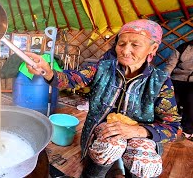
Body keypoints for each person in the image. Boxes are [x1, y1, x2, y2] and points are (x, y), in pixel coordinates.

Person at [25, 19, 182, 178]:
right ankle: (92, 174)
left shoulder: (160, 81)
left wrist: (137, 130)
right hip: (103, 130)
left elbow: (173, 127)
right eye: (121, 44)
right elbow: (75, 79)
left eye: (135, 45)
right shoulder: (103, 68)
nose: (125, 51)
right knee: (111, 144)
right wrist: (48, 72)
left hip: (140, 134)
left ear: (153, 48)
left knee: (145, 162)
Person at [164, 40, 193, 140]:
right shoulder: (184, 47)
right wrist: (164, 80)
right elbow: (170, 65)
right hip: (176, 79)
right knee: (171, 101)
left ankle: (187, 130)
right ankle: (167, 128)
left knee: (191, 101)